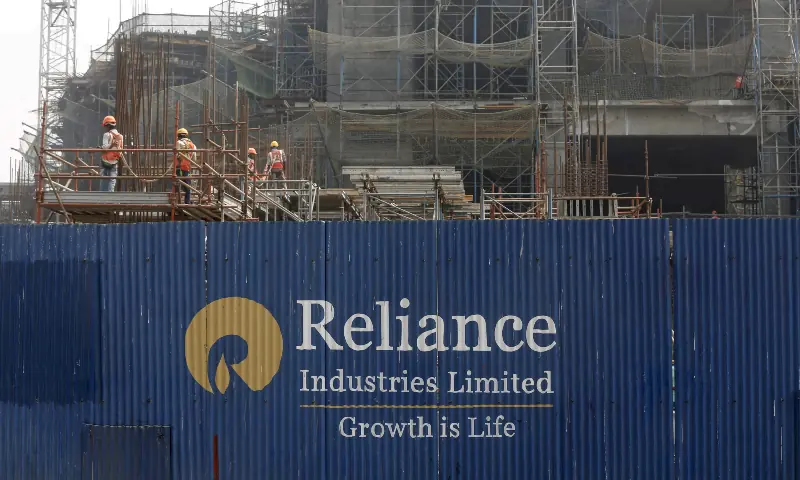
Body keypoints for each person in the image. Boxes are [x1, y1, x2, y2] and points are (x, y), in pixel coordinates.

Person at [100, 116, 123, 192]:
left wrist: (111, 145)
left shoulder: (107, 134)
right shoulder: (120, 136)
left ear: (107, 125)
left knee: (104, 180)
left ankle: (102, 199)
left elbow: (105, 147)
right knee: (112, 180)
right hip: (114, 161)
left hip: (105, 161)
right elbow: (121, 149)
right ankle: (111, 199)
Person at [175, 128, 196, 204]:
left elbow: (176, 155)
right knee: (187, 185)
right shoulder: (193, 145)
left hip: (179, 167)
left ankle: (176, 201)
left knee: (177, 184)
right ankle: (187, 201)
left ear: (178, 135)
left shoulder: (178, 143)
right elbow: (194, 158)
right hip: (187, 167)